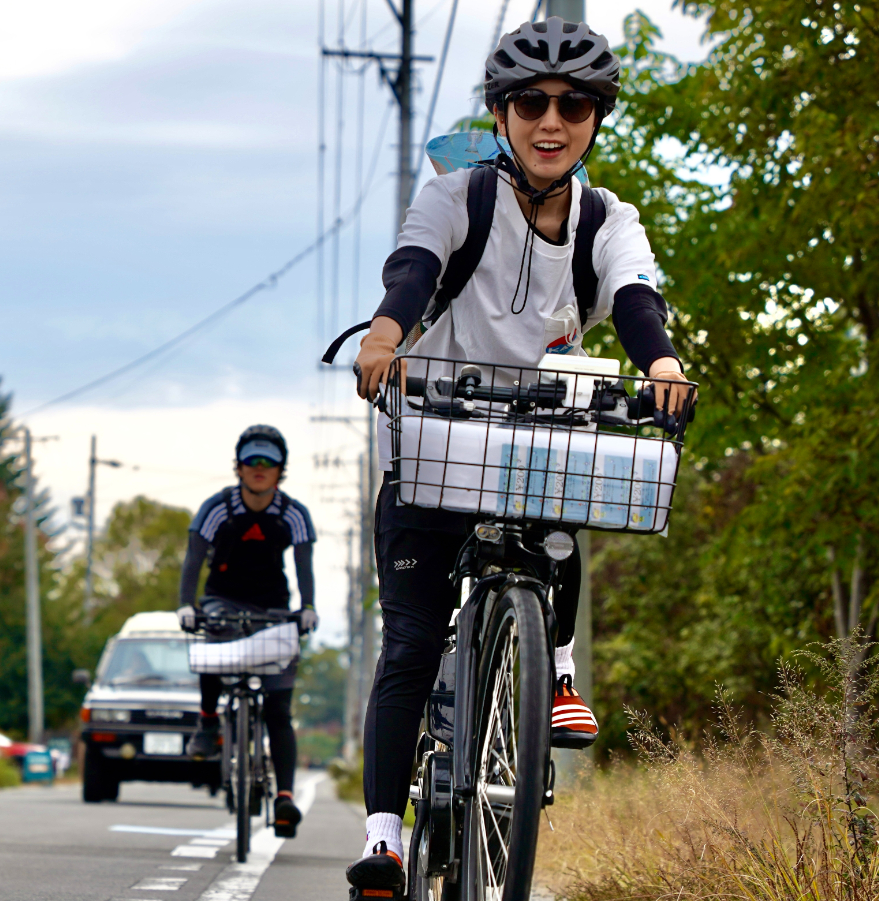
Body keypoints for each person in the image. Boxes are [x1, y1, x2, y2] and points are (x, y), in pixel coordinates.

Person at [345, 17, 695, 898]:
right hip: (436, 441)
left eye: (573, 104)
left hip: (530, 441)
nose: (552, 120)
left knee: (559, 516)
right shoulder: (458, 198)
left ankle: (555, 670)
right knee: (414, 640)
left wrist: (661, 362)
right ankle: (384, 837)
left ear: (594, 119)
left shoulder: (608, 217)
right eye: (531, 102)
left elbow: (636, 292)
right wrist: (386, 334)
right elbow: (415, 270)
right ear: (501, 114)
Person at [177, 425, 319, 839]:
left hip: (274, 607)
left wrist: (306, 609)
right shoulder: (216, 508)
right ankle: (207, 723)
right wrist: (187, 605)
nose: (259, 469)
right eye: (252, 460)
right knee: (212, 640)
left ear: (281, 470)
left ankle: (285, 799)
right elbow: (192, 559)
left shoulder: (292, 513)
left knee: (278, 707)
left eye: (268, 462)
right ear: (238, 466)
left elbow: (304, 566)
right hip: (224, 599)